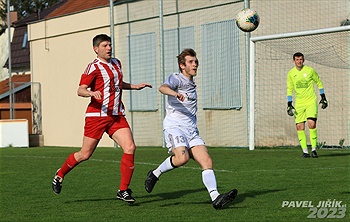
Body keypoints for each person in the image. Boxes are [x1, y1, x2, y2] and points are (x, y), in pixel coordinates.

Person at [51, 34, 152, 203]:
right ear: (96, 49)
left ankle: (123, 190)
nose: (109, 48)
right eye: (105, 45)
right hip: (97, 116)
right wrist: (91, 92)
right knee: (84, 154)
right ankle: (60, 174)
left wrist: (134, 86)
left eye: (110, 45)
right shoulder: (93, 67)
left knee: (130, 147)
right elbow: (80, 90)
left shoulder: (116, 63)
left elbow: (117, 85)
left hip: (116, 115)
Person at [144, 48, 237, 209]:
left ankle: (215, 198)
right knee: (182, 158)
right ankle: (155, 173)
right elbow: (162, 88)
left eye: (196, 62)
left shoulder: (192, 83)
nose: (195, 65)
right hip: (175, 127)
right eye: (191, 62)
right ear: (182, 65)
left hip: (191, 130)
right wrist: (174, 94)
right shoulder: (177, 78)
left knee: (206, 161)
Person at [287, 52, 328, 158]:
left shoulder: (310, 70)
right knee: (299, 127)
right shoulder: (291, 73)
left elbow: (319, 82)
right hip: (299, 103)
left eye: (301, 59)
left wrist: (323, 97)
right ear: (294, 61)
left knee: (311, 124)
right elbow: (289, 89)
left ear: (303, 60)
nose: (299, 61)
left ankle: (314, 150)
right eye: (297, 59)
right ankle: (305, 152)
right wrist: (289, 103)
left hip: (311, 101)